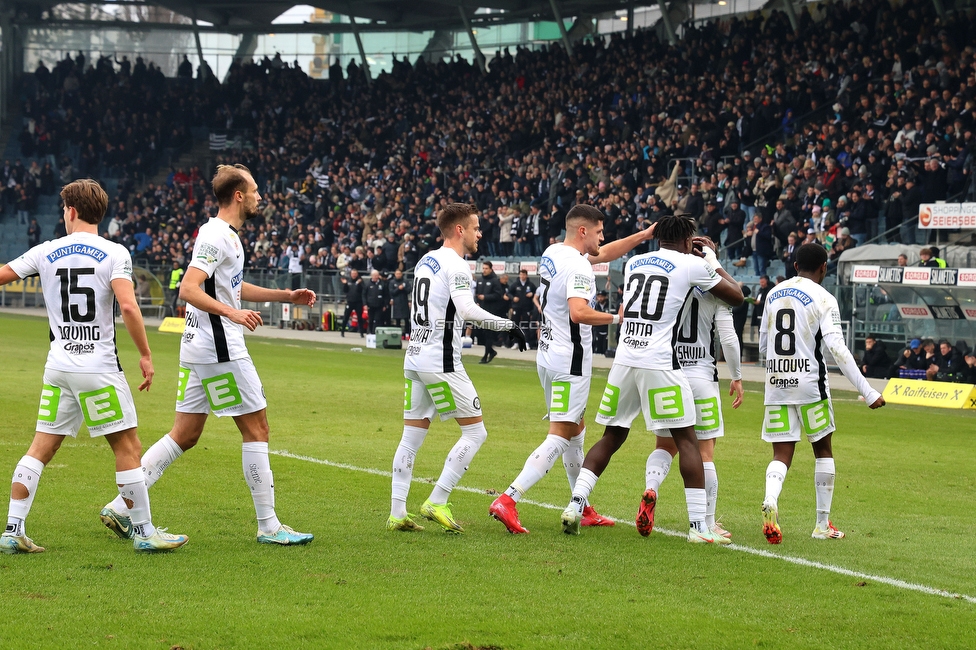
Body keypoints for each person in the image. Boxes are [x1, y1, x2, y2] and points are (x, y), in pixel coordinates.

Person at [98, 164, 317, 546]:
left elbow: (230, 285)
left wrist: (285, 296)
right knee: (257, 428)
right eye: (255, 190)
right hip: (220, 345)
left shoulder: (224, 236)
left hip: (199, 345)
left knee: (185, 433)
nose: (260, 196)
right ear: (238, 195)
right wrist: (231, 313)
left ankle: (121, 505)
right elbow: (189, 288)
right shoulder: (217, 235)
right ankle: (269, 525)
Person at [0, 179, 187, 553]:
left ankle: (12, 529)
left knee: (40, 448)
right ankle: (145, 532)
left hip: (58, 367)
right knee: (128, 446)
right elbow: (129, 306)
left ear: (70, 211)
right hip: (98, 367)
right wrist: (146, 354)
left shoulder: (46, 251)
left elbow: (3, 275)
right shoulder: (114, 252)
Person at [560, 215, 743, 544]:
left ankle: (575, 505)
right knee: (687, 441)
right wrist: (711, 259)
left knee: (611, 436)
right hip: (661, 362)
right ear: (688, 242)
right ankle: (699, 527)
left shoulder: (634, 262)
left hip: (625, 358)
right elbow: (737, 296)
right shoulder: (690, 264)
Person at [488, 204, 654, 534]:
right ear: (583, 231)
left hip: (548, 356)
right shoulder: (579, 268)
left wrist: (645, 235)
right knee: (561, 436)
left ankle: (584, 506)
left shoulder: (554, 252)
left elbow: (604, 252)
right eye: (598, 232)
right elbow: (579, 312)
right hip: (570, 362)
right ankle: (508, 498)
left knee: (576, 432)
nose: (602, 238)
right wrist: (619, 318)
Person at [389, 203, 527, 533]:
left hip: (415, 356)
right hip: (441, 360)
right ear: (460, 229)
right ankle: (437, 499)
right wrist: (507, 325)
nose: (481, 233)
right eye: (477, 228)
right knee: (476, 432)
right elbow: (468, 310)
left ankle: (397, 513)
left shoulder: (426, 259)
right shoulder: (457, 265)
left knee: (410, 438)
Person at [759, 243, 885, 545]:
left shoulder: (772, 295)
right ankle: (821, 524)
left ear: (793, 265)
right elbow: (836, 349)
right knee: (823, 450)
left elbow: (764, 346)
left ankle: (770, 499)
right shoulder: (825, 298)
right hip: (810, 385)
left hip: (776, 384)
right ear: (824, 268)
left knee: (781, 453)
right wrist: (867, 391)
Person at [644, 236, 744, 540]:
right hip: (700, 374)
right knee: (705, 452)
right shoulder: (714, 287)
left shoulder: (669, 281)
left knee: (665, 447)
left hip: (667, 372)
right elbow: (728, 339)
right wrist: (737, 376)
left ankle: (651, 488)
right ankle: (709, 522)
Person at [474, 261, 505, 363]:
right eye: (483, 268)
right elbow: (477, 294)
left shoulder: (495, 281)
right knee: (481, 333)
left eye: (486, 268)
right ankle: (491, 352)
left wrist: (485, 297)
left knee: (488, 334)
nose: (484, 270)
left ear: (491, 269)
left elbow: (498, 295)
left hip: (491, 311)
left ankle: (486, 356)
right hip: (481, 310)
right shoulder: (480, 280)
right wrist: (477, 302)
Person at [340, 269, 365, 337]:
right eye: (352, 273)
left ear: (357, 274)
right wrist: (345, 284)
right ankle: (342, 332)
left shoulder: (360, 281)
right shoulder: (348, 281)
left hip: (358, 302)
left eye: (355, 273)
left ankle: (361, 333)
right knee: (346, 317)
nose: (354, 275)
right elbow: (345, 290)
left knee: (360, 318)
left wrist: (358, 284)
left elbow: (362, 290)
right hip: (350, 302)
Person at [388, 269, 411, 335]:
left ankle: (407, 334)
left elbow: (409, 290)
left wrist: (403, 288)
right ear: (395, 274)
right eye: (397, 274)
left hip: (404, 302)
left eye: (399, 274)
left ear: (401, 274)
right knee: (397, 320)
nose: (398, 275)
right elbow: (392, 292)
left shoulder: (405, 281)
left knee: (406, 319)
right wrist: (398, 289)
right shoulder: (392, 282)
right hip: (396, 303)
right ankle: (399, 334)